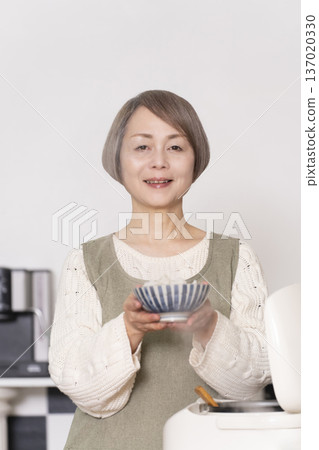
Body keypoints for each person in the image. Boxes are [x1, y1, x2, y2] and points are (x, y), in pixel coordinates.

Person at [48, 90, 271, 450]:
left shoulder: (237, 256)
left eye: (176, 147)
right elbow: (77, 385)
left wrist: (209, 325)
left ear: (195, 160)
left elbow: (252, 383)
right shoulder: (85, 260)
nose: (159, 163)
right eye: (142, 147)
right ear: (117, 160)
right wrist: (130, 329)